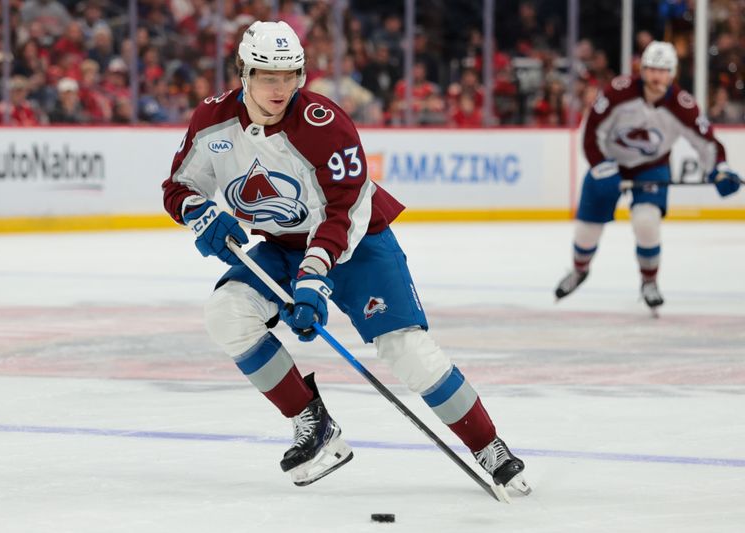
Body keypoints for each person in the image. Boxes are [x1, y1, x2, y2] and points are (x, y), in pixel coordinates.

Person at [162, 21, 530, 496]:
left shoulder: (325, 124)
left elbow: (344, 212)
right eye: (268, 76)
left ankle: (487, 444)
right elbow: (180, 187)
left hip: (358, 244)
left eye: (291, 75)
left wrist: (314, 278)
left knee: (407, 350)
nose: (281, 88)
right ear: (243, 73)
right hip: (282, 245)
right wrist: (200, 213)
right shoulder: (212, 122)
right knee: (227, 313)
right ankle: (312, 423)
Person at [555, 41, 741, 311]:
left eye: (663, 70)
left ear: (673, 73)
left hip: (650, 166)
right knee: (587, 230)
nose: (656, 76)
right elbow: (592, 130)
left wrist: (719, 169)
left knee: (646, 221)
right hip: (609, 162)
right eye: (651, 69)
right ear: (641, 70)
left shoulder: (682, 105)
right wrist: (601, 166)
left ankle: (649, 281)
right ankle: (579, 270)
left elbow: (706, 143)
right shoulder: (618, 93)